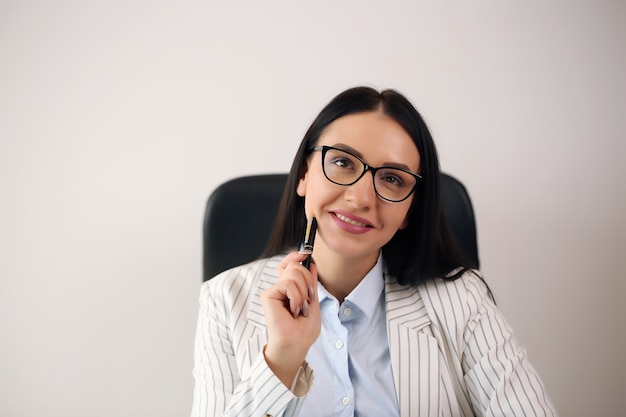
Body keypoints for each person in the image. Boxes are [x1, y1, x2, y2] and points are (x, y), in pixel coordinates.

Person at [190, 87, 557, 417]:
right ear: (304, 175)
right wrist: (283, 356)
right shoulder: (226, 300)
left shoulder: (464, 300)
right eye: (342, 162)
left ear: (409, 211)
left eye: (392, 178)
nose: (360, 197)